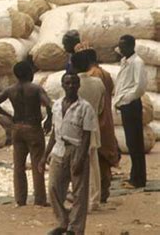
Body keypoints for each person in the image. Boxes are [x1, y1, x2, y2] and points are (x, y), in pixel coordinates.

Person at [39, 72, 97, 235]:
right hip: (59, 149)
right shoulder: (56, 105)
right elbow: (55, 133)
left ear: (78, 86)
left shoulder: (85, 107)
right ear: (62, 85)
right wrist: (45, 155)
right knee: (54, 188)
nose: (71, 86)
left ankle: (76, 228)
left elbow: (86, 135)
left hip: (77, 148)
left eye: (74, 83)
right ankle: (63, 221)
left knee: (79, 192)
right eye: (67, 83)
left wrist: (80, 157)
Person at [0, 61, 52, 206]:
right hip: (33, 128)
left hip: (17, 128)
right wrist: (49, 119)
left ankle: (20, 199)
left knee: (19, 166)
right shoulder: (36, 89)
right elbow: (49, 104)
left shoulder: (10, 90)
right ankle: (40, 199)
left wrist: (9, 116)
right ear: (29, 73)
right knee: (38, 164)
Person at [81, 44, 120, 202]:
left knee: (99, 156)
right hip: (105, 117)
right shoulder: (105, 73)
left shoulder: (94, 75)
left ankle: (100, 192)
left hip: (98, 118)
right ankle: (103, 190)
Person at [70, 47, 105, 212]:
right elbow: (101, 107)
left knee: (76, 164)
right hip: (93, 126)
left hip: (75, 128)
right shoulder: (98, 83)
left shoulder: (71, 84)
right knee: (93, 164)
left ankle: (79, 198)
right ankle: (94, 200)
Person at [113, 35, 148, 189]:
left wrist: (126, 99)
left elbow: (139, 86)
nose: (120, 49)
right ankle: (135, 176)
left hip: (132, 104)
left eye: (123, 46)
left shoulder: (137, 62)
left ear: (132, 46)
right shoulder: (125, 61)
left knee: (135, 143)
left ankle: (138, 179)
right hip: (126, 104)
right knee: (131, 142)